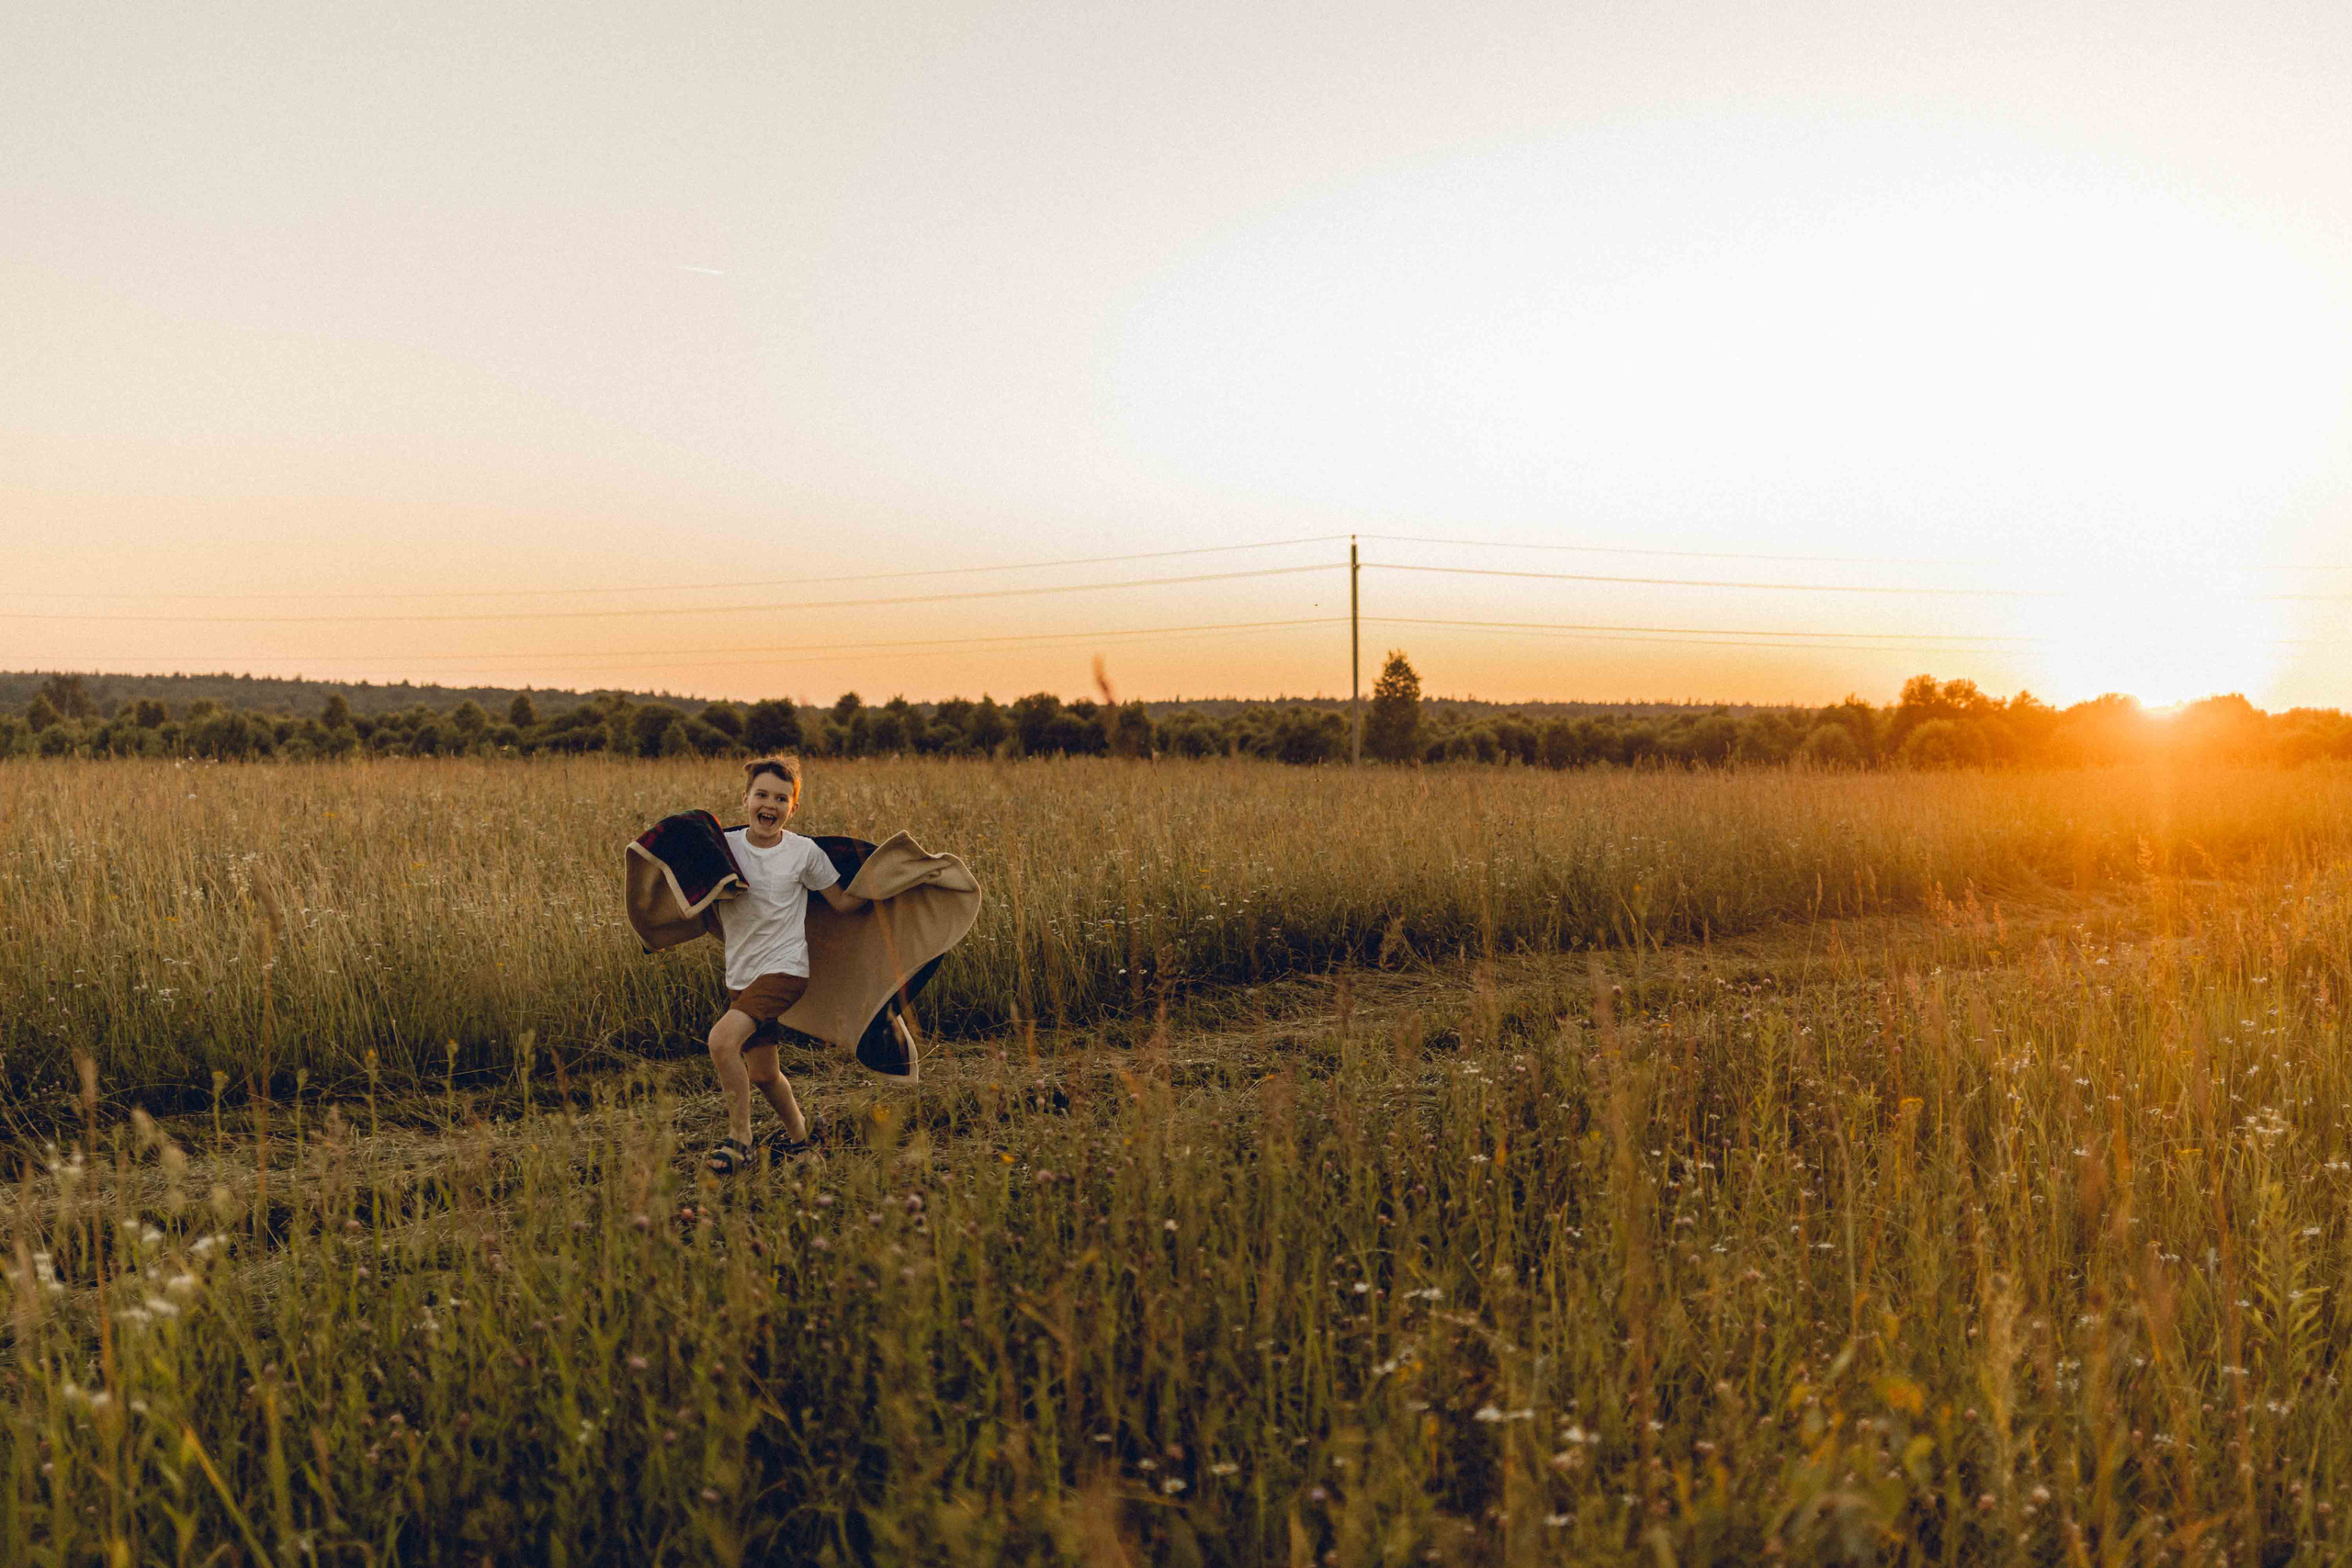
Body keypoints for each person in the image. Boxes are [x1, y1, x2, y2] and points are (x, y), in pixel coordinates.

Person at [704, 755, 865, 1174]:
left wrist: (892, 880)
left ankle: (739, 1138)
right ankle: (802, 1141)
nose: (769, 805)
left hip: (786, 969)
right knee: (763, 1073)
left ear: (793, 808)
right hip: (742, 974)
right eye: (762, 795)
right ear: (746, 799)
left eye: (781, 798)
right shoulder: (725, 848)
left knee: (722, 1041)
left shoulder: (804, 853)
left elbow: (843, 902)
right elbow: (688, 894)